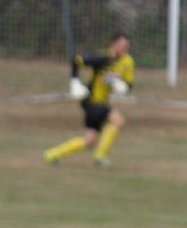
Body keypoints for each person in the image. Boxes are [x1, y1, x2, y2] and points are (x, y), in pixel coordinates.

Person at [43, 32, 134, 168]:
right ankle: (100, 156)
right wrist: (75, 81)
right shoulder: (102, 57)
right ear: (112, 44)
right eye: (121, 45)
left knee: (89, 141)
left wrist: (124, 86)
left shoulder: (128, 62)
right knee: (118, 121)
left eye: (126, 46)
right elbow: (76, 61)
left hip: (101, 102)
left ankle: (52, 154)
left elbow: (129, 83)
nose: (123, 49)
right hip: (91, 101)